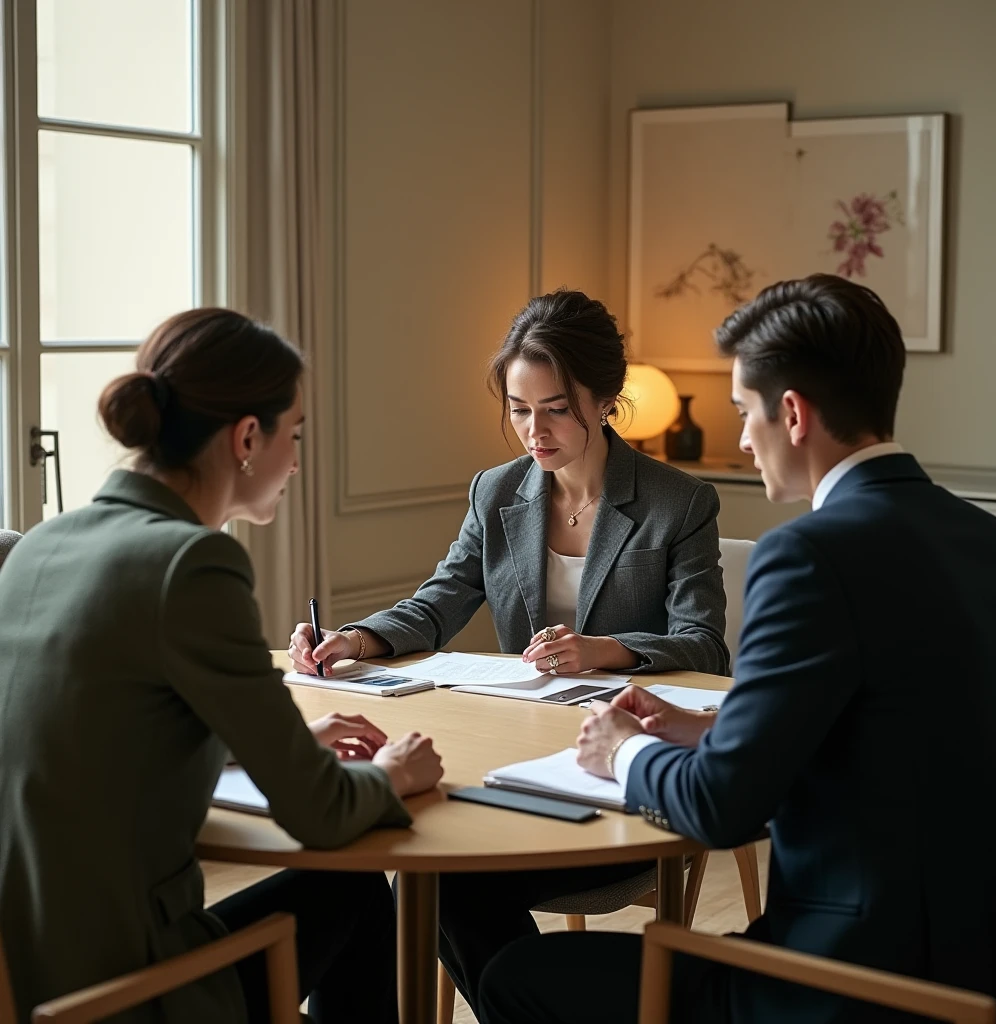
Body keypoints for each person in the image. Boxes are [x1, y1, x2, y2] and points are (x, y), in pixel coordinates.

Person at [476, 274, 996, 1024]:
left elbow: (720, 809)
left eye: (743, 412)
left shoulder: (808, 556)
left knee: (518, 975)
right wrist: (711, 728)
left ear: (791, 414)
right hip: (972, 974)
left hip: (839, 989)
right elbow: (889, 724)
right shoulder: (989, 541)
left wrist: (623, 750)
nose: (740, 439)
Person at [289, 289, 730, 1011]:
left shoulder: (677, 502)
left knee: (443, 882)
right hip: (512, 766)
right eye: (520, 410)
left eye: (556, 408)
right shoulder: (497, 493)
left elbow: (704, 648)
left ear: (606, 398)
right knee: (431, 870)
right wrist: (358, 637)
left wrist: (603, 649)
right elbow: (440, 601)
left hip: (620, 777)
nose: (534, 430)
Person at [0, 308, 443, 1024]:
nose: (296, 462)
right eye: (293, 435)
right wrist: (393, 772)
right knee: (353, 887)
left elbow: (107, 728)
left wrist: (266, 745)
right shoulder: (192, 564)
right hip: (120, 995)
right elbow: (321, 814)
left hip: (28, 975)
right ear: (246, 437)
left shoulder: (43, 545)